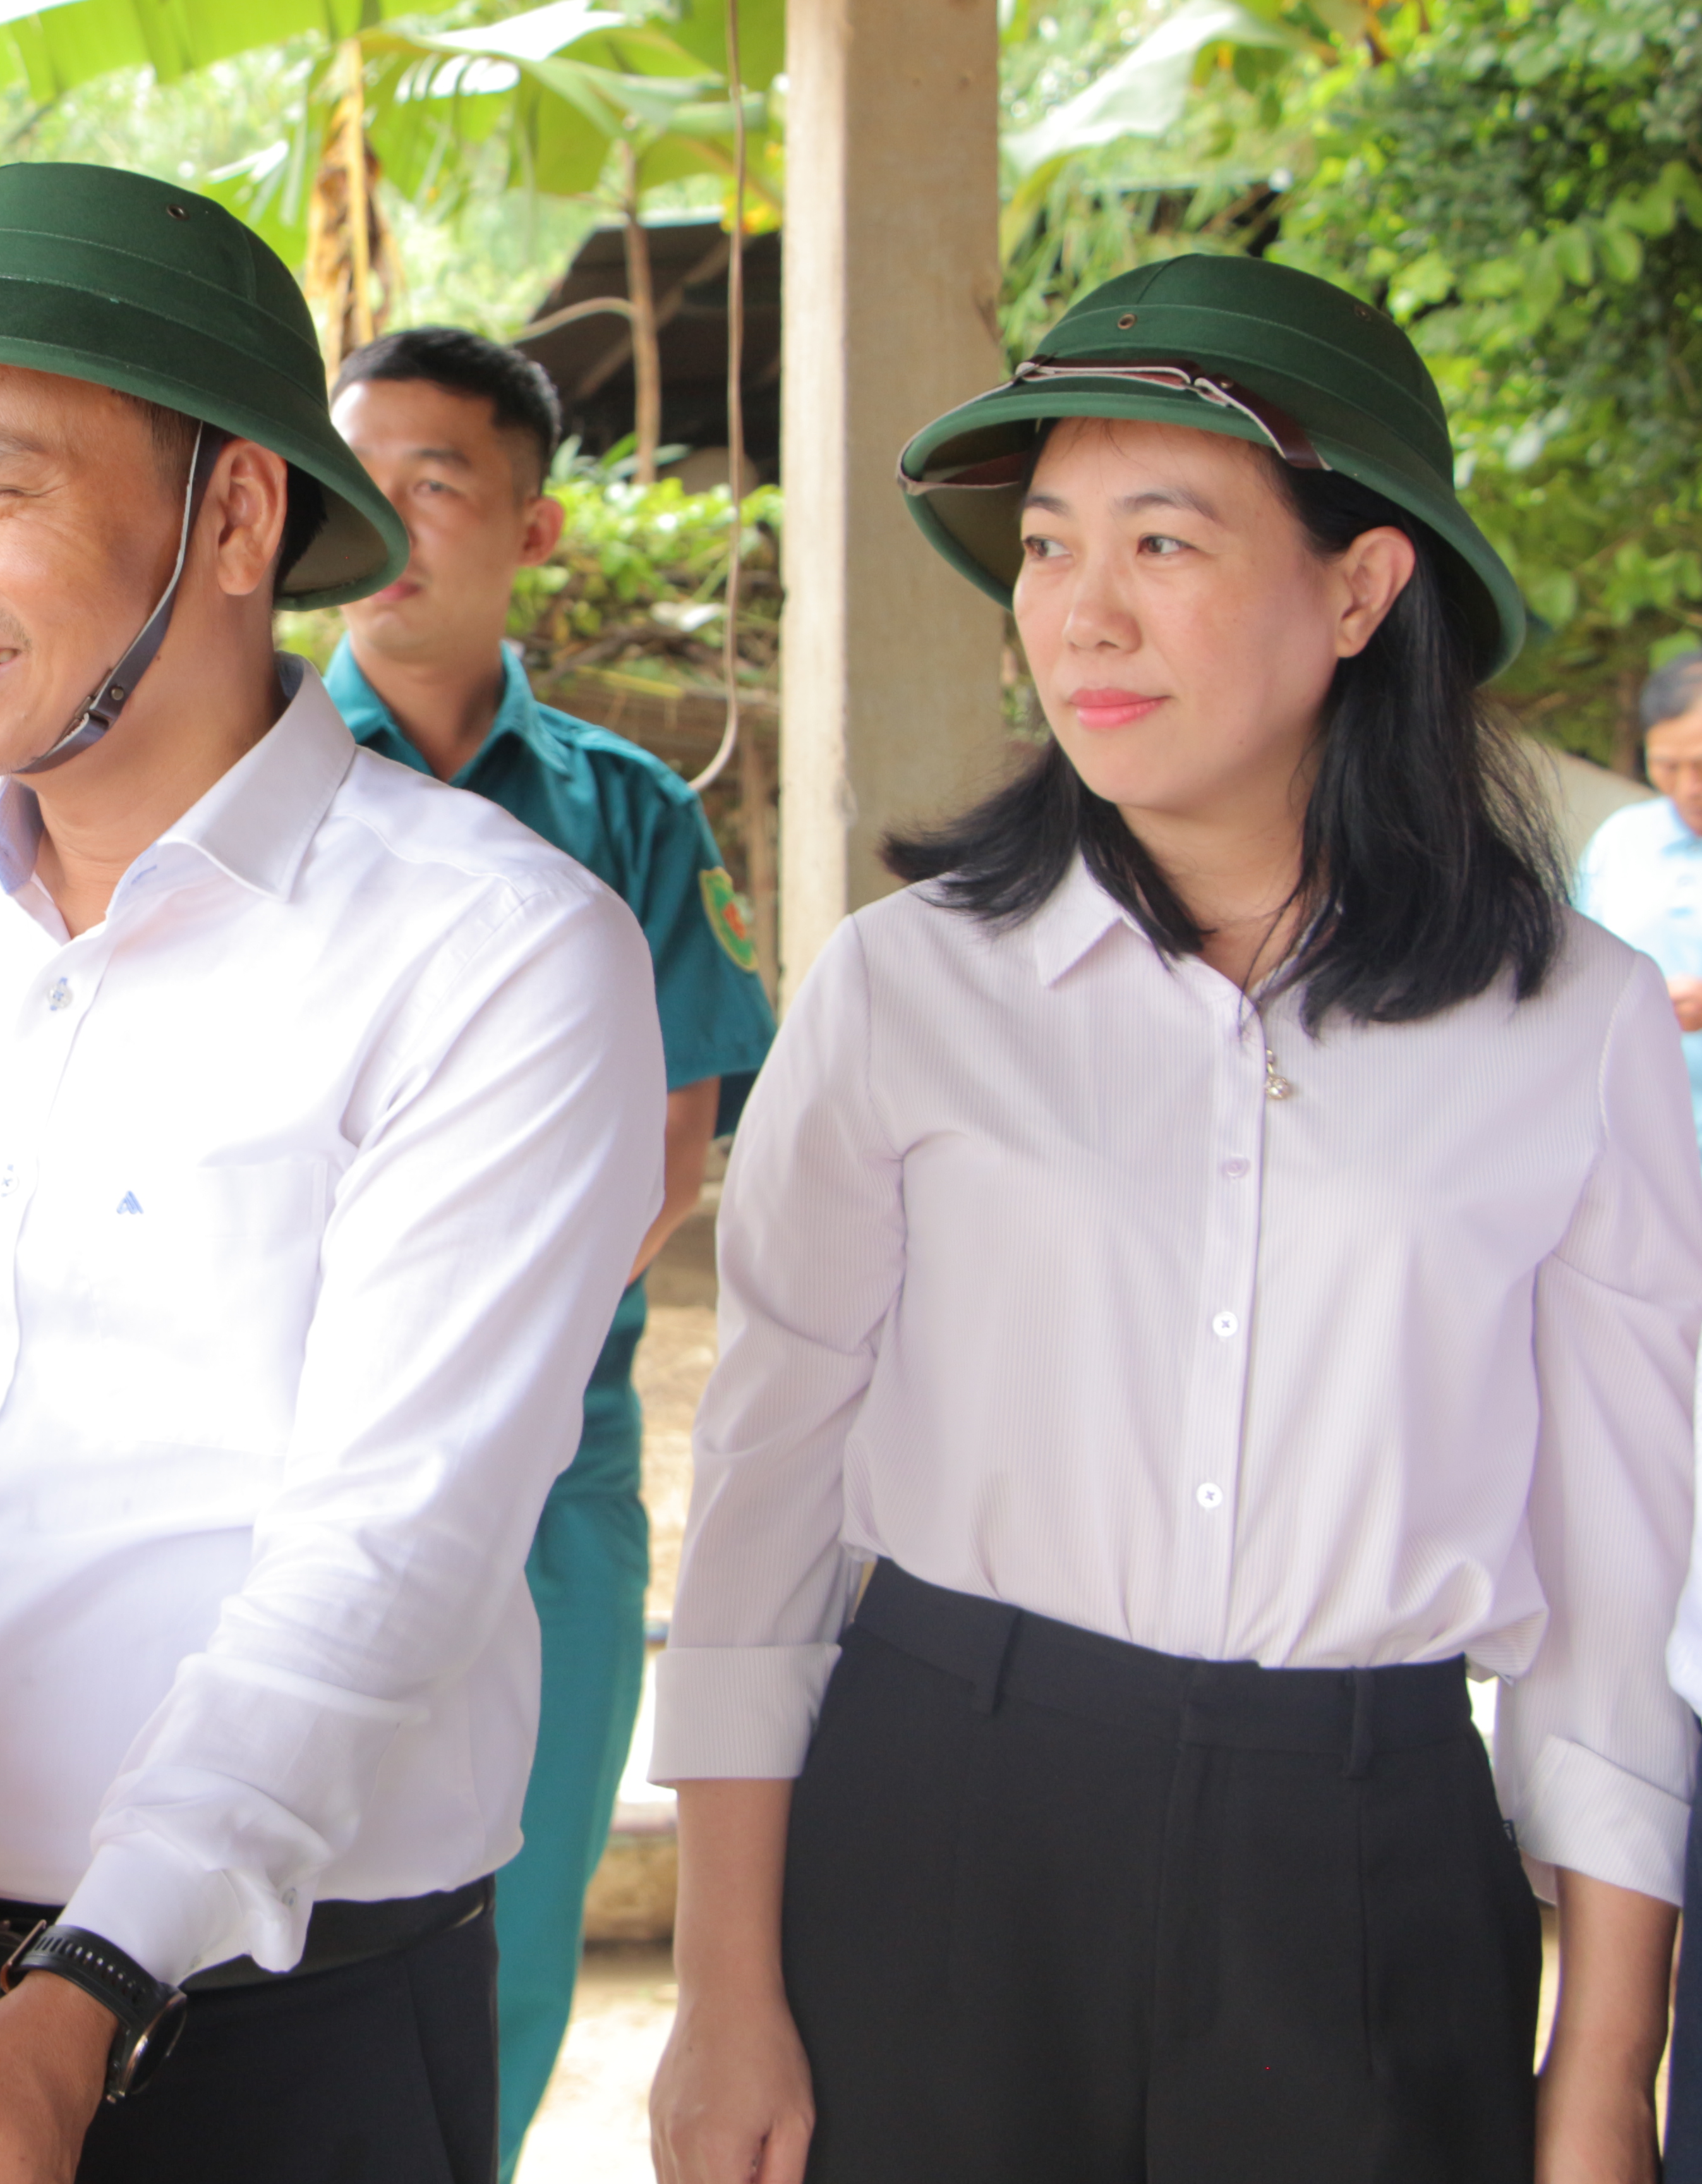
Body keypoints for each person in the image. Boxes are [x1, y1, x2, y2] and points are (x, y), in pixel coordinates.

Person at [650, 253, 1701, 2184]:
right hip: (944, 1829)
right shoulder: (905, 989)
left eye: (1163, 540)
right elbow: (769, 1488)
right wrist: (724, 1991)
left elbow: (1623, 1580)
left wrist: (1601, 2078)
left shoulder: (1580, 1025)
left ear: (1361, 590)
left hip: (1366, 1869)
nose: (1084, 611)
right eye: (1049, 545)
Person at [0, 162, 667, 2183]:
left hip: (255, 2026)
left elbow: (388, 1551)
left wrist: (95, 1976)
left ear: (234, 517)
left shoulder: (492, 955)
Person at [327, 324, 775, 2178]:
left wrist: (466, 1368)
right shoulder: (235, 790)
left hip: (546, 1468)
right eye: (358, 481)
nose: (387, 523)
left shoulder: (625, 813)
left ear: (533, 526)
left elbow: (665, 1152)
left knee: (512, 1928)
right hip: (270, 1445)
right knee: (248, 1922)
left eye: (434, 483)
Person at [1574, 652, 1702, 1143]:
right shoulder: (1623, 838)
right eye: (1667, 766)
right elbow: (1574, 966)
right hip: (1633, 1138)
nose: (1689, 787)